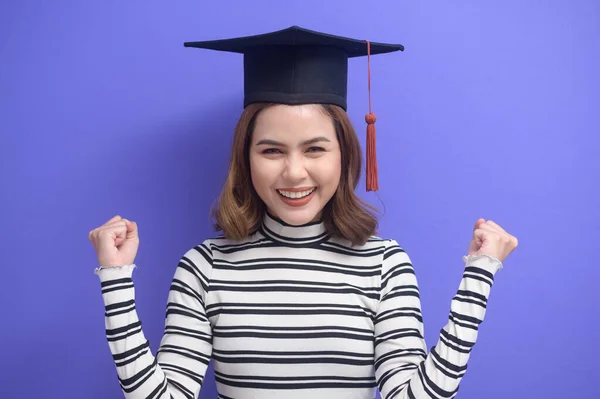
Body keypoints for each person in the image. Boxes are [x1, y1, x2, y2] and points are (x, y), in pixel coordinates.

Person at [88, 26, 518, 399]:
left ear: (344, 154)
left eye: (315, 148)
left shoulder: (384, 265)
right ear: (246, 158)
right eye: (271, 150)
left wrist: (479, 276)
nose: (294, 173)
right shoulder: (204, 268)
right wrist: (115, 281)